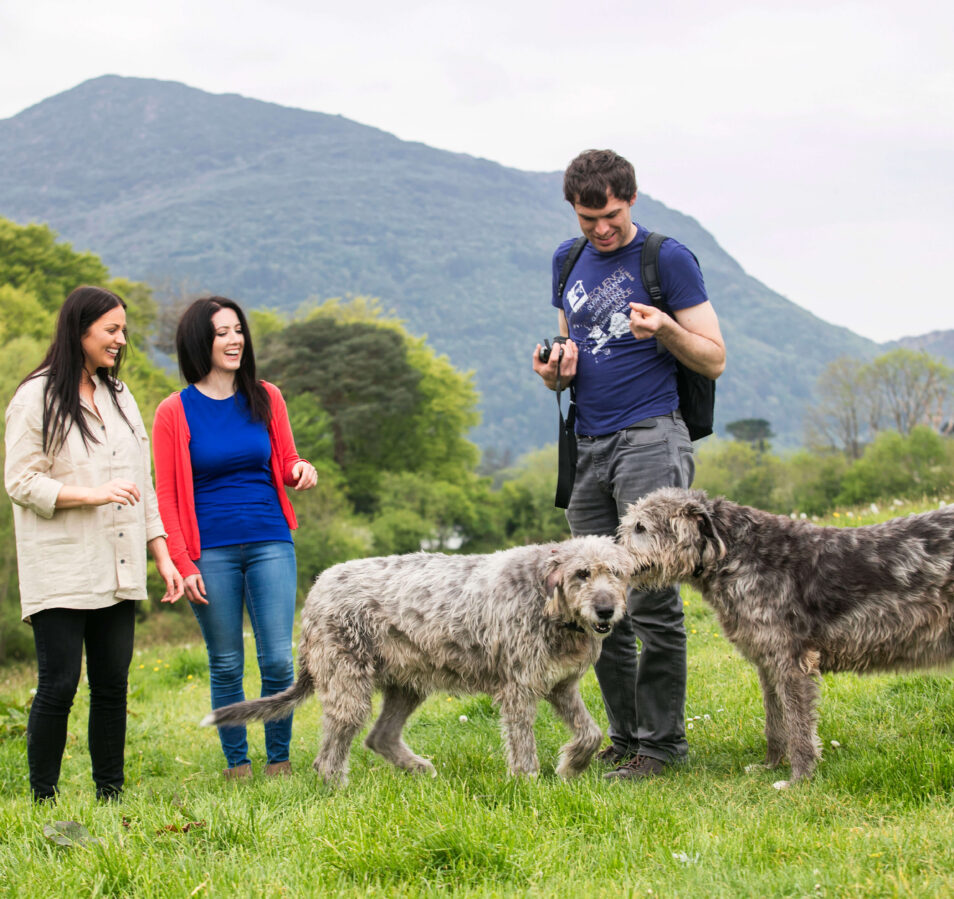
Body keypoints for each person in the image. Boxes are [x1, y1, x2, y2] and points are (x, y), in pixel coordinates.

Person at [532, 149, 726, 781]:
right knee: (591, 594)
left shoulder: (667, 258)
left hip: (651, 436)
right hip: (587, 442)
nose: (600, 230)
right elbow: (572, 354)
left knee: (652, 598)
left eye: (610, 216)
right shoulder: (567, 259)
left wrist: (666, 328)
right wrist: (554, 373)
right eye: (589, 219)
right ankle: (624, 738)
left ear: (631, 200)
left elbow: (714, 358)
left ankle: (663, 747)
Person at [4, 285, 183, 803]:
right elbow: (19, 480)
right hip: (62, 568)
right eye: (111, 330)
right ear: (79, 331)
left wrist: (163, 556)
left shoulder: (120, 396)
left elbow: (142, 484)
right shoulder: (34, 397)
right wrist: (91, 494)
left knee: (112, 688)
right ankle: (44, 797)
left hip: (118, 563)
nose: (120, 340)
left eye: (122, 330)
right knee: (58, 685)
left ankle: (111, 794)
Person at [152, 296, 317, 780]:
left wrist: (300, 468)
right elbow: (165, 494)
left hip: (269, 539)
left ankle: (279, 762)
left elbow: (286, 461)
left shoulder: (267, 396)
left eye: (238, 330)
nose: (234, 339)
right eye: (222, 332)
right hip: (210, 552)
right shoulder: (173, 411)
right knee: (225, 664)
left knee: (277, 661)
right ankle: (237, 765)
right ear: (200, 341)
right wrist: (183, 563)